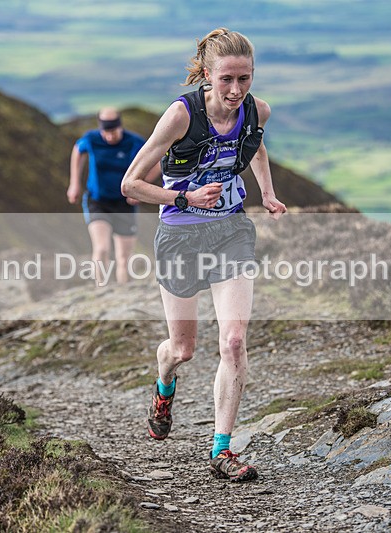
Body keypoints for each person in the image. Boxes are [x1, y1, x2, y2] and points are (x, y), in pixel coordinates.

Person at [121, 28, 286, 482]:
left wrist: (267, 193)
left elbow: (255, 144)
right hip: (179, 235)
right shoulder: (181, 115)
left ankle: (221, 450)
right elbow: (130, 185)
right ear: (208, 75)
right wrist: (185, 199)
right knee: (183, 349)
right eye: (227, 79)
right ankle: (163, 383)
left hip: (232, 231)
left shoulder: (257, 111)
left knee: (233, 341)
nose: (236, 90)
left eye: (245, 79)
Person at [67, 108, 155, 286]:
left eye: (113, 132)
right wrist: (74, 182)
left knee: (123, 257)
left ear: (120, 127)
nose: (109, 137)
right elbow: (78, 150)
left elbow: (159, 161)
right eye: (105, 132)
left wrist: (140, 187)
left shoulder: (134, 142)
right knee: (101, 248)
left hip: (124, 204)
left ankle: (123, 292)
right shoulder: (92, 139)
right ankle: (101, 289)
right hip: (98, 201)